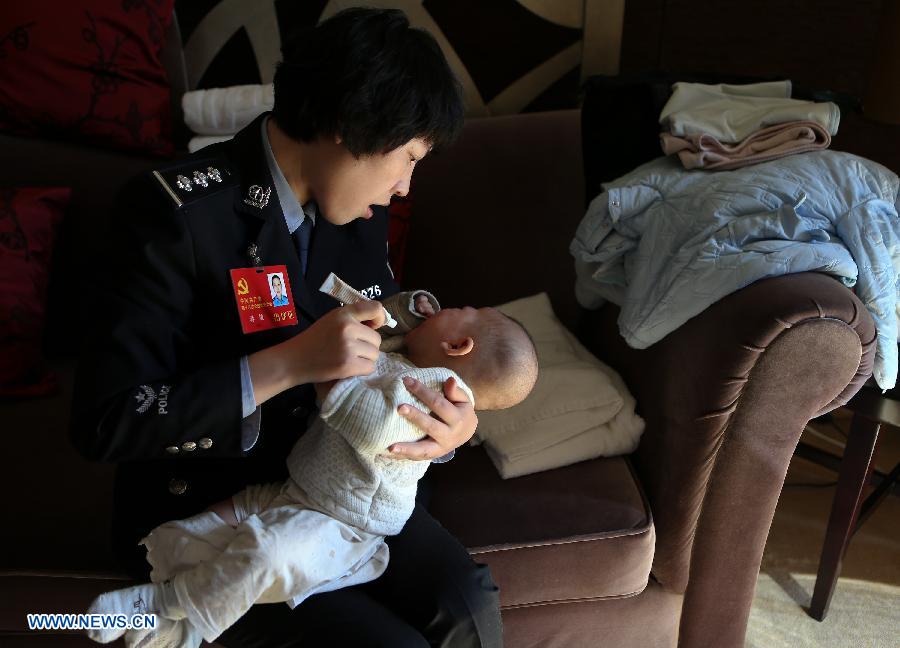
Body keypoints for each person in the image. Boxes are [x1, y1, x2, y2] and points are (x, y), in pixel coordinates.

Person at [69, 8, 500, 647]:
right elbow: (108, 420)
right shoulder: (174, 214)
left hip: (337, 488)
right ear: (350, 129)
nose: (405, 187)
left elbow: (384, 348)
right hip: (218, 513)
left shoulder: (355, 210)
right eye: (407, 158)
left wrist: (455, 427)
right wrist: (290, 364)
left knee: (467, 603)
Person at [84, 290, 539, 648]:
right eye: (409, 164)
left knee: (462, 595)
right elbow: (382, 325)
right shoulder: (420, 359)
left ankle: (169, 605)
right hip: (294, 481)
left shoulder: (435, 381)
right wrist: (404, 310)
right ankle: (184, 620)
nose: (402, 187)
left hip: (341, 515)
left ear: (458, 345)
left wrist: (332, 383)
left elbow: (375, 417)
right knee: (205, 532)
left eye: (458, 308)